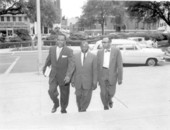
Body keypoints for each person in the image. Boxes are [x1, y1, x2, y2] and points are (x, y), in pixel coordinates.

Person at [43, 34, 75, 114]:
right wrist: (45, 70)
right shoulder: (52, 49)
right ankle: (56, 103)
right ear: (56, 40)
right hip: (53, 75)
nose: (60, 41)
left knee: (64, 95)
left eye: (62, 40)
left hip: (64, 77)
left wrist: (68, 75)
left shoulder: (69, 51)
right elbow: (48, 61)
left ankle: (63, 109)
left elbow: (71, 64)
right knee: (51, 91)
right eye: (59, 39)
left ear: (65, 41)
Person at [97, 37, 123, 110]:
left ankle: (109, 99)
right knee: (103, 93)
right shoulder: (99, 52)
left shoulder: (116, 50)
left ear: (110, 42)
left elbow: (120, 65)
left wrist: (120, 78)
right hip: (102, 74)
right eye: (103, 42)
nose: (104, 44)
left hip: (112, 74)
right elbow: (97, 65)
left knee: (111, 92)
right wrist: (97, 78)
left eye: (105, 42)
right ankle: (105, 105)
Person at [71, 41, 97, 112]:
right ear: (80, 47)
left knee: (87, 97)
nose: (84, 48)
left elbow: (95, 70)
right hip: (78, 81)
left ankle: (83, 109)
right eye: (83, 46)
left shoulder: (93, 57)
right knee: (78, 96)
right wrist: (72, 80)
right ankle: (80, 108)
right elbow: (73, 69)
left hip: (88, 81)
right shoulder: (75, 56)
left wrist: (95, 82)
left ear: (88, 47)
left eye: (86, 46)